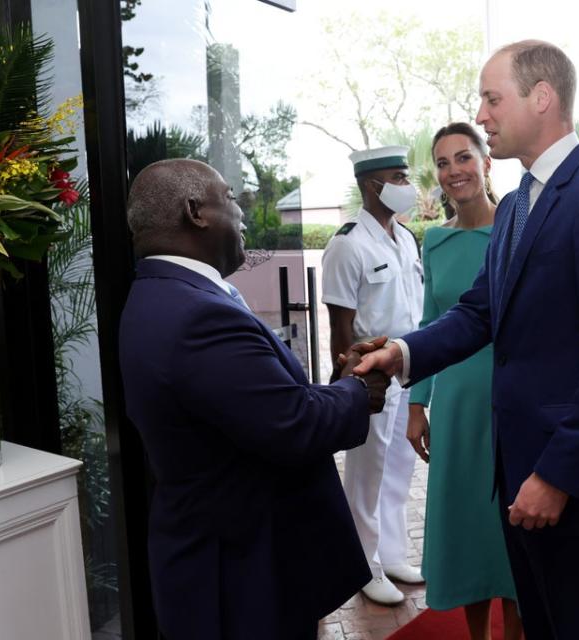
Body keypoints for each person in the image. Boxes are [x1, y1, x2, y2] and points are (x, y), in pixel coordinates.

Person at [355, 40, 579, 638]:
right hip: (518, 472)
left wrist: (558, 476)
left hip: (570, 483)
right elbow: (478, 313)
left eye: (492, 99)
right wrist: (403, 354)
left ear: (541, 98)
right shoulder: (519, 203)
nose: (484, 113)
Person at [118, 158, 391, 640]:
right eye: (231, 198)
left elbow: (256, 405)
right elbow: (293, 425)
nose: (242, 214)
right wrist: (358, 390)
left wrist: (334, 383)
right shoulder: (196, 315)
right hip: (239, 573)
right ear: (195, 211)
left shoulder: (162, 293)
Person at [406, 123, 521, 640]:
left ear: (486, 162)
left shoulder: (519, 231)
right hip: (453, 400)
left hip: (511, 396)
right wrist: (416, 402)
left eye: (464, 157)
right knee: (467, 520)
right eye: (444, 163)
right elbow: (432, 322)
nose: (455, 171)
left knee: (509, 521)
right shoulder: (434, 240)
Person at [321, 146, 425, 605]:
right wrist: (351, 389)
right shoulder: (347, 244)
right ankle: (365, 565)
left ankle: (394, 552)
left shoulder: (405, 239)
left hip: (410, 367)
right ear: (371, 185)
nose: (407, 186)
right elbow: (340, 328)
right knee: (367, 473)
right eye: (397, 178)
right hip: (372, 377)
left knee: (399, 466)